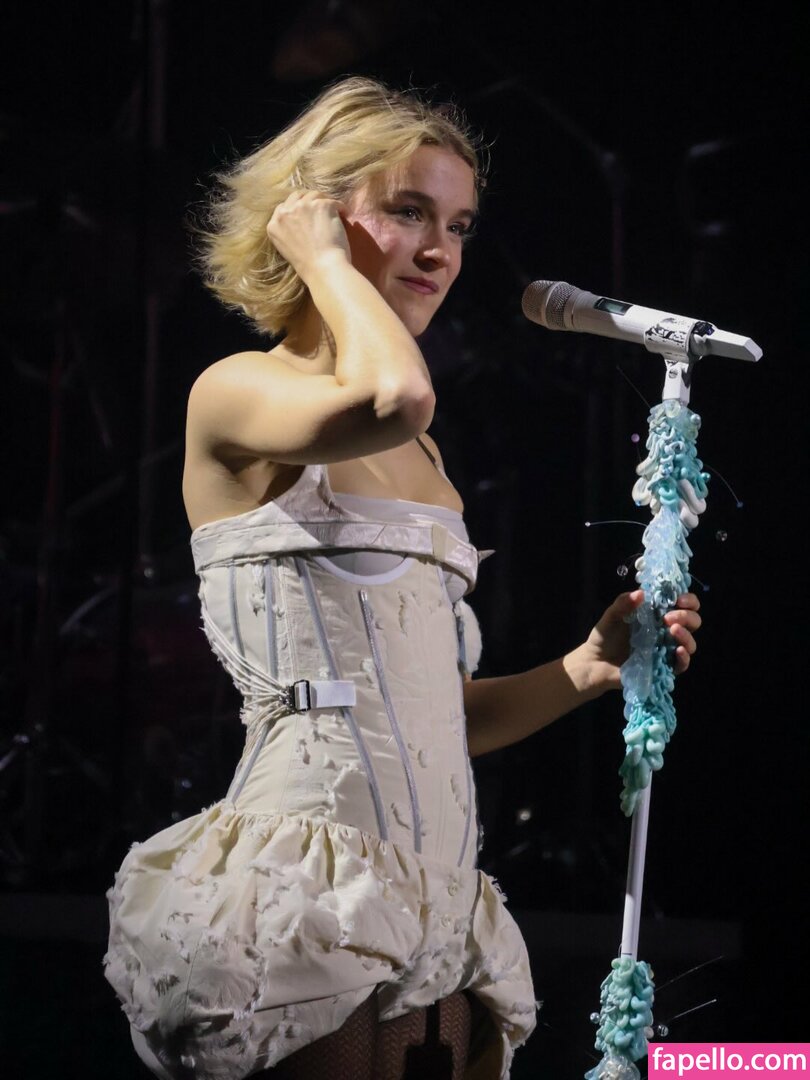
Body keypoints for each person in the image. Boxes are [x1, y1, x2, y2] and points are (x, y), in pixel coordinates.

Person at [103, 76, 701, 1080]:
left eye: (458, 225)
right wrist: (321, 261)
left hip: (440, 908)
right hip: (304, 898)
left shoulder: (423, 459)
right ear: (307, 216)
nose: (441, 252)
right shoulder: (239, 392)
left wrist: (586, 668)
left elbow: (439, 716)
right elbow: (394, 391)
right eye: (409, 212)